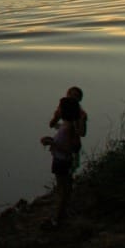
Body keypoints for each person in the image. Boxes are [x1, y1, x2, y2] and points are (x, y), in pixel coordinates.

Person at [40, 97, 82, 227]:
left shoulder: (69, 128)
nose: (57, 109)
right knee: (64, 188)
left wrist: (52, 143)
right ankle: (61, 215)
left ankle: (57, 219)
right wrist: (52, 140)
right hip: (62, 160)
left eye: (59, 107)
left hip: (62, 161)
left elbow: (70, 148)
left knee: (61, 190)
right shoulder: (67, 125)